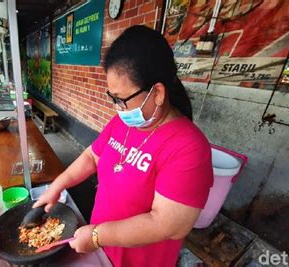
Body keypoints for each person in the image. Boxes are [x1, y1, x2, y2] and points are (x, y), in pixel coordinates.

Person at [33, 25, 213, 267]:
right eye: (112, 97)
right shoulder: (123, 122)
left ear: (157, 93)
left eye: (121, 99)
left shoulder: (188, 147)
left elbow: (168, 224)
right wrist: (58, 185)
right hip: (99, 250)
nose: (116, 108)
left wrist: (97, 236)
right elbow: (92, 157)